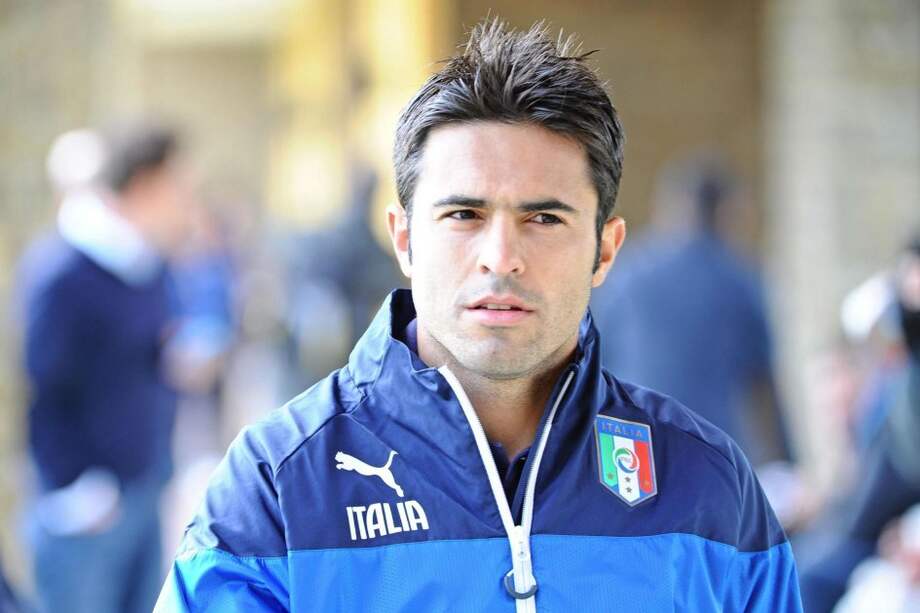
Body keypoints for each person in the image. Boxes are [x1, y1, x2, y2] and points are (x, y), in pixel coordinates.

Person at [157, 20, 801, 611]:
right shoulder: (279, 483)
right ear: (404, 240)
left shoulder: (709, 485)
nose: (501, 257)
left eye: (543, 218)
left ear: (605, 250)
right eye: (463, 215)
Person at [21, 123, 191, 613]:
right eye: (176, 186)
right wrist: (72, 488)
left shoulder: (149, 266)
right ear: (143, 186)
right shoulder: (62, 273)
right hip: (86, 508)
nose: (185, 201)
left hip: (142, 485)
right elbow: (47, 388)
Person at [590, 153, 793, 468]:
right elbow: (764, 383)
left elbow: (594, 363)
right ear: (727, 212)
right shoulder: (739, 279)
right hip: (712, 453)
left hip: (632, 451)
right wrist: (788, 463)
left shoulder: (624, 274)